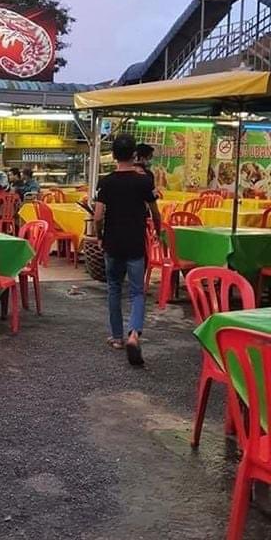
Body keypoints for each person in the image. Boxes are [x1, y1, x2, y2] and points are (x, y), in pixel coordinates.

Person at [94, 133, 161, 367]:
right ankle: (134, 334)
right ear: (134, 155)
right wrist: (158, 232)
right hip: (135, 243)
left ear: (113, 155)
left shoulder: (106, 182)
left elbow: (98, 215)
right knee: (136, 292)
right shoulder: (144, 181)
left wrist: (99, 235)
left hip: (112, 242)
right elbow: (155, 211)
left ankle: (116, 337)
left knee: (114, 288)